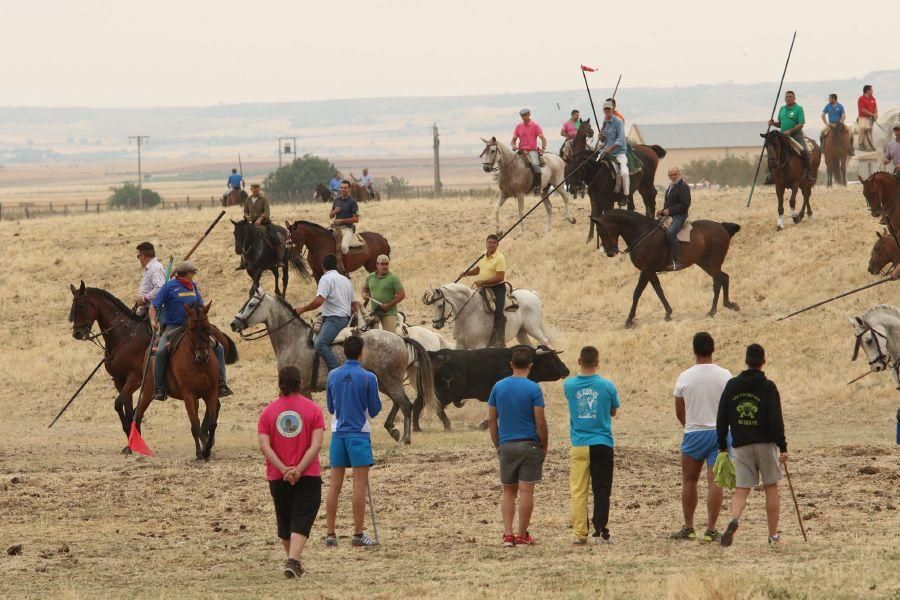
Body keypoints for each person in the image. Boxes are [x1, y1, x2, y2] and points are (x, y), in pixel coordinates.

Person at [717, 344, 789, 547]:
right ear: (763, 361)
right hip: (766, 444)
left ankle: (734, 519)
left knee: (741, 489)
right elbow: (776, 419)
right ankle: (773, 536)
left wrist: (722, 444)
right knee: (771, 487)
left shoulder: (732, 385)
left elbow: (721, 417)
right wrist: (782, 447)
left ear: (746, 361)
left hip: (741, 444)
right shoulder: (768, 387)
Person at [258, 366, 325, 579]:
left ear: (280, 384)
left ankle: (293, 562)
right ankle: (293, 561)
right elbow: (316, 446)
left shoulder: (267, 412)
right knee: (302, 519)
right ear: (301, 383)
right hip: (308, 474)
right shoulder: (313, 410)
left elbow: (265, 447)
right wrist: (298, 468)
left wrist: (283, 468)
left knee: (285, 523)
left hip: (278, 476)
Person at [670, 332, 732, 544]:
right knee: (715, 482)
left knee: (689, 480)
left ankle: (689, 527)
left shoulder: (685, 376)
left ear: (694, 350)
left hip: (694, 432)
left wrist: (690, 425)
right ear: (713, 349)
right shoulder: (725, 375)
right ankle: (711, 529)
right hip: (720, 434)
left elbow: (679, 410)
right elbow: (731, 407)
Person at [488, 346, 548, 547]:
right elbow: (540, 421)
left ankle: (508, 535)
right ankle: (522, 535)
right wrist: (544, 444)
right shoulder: (533, 388)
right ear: (530, 366)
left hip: (507, 444)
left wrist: (498, 444)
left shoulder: (498, 387)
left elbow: (491, 420)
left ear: (511, 364)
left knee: (508, 491)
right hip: (530, 444)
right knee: (526, 492)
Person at [324, 336, 381, 549]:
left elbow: (331, 408)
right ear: (361, 353)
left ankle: (330, 534)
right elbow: (374, 410)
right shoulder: (369, 377)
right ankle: (357, 535)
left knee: (334, 485)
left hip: (338, 434)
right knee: (359, 486)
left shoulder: (332, 375)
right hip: (359, 434)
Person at [149, 261, 232, 401]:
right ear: (186, 274)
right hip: (172, 328)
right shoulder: (168, 287)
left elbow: (200, 305)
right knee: (161, 352)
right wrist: (153, 320)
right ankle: (160, 387)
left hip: (193, 328)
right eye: (192, 272)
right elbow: (154, 306)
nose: (194, 274)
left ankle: (221, 384)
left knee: (219, 348)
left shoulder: (193, 286)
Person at [565, 346, 619, 545]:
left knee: (578, 490)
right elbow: (613, 411)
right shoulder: (607, 386)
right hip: (602, 443)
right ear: (598, 362)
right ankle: (601, 531)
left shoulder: (569, 386)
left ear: (579, 361)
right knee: (602, 489)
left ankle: (580, 533)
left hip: (579, 444)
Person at [294, 254, 358, 372]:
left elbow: (319, 301)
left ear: (323, 267)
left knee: (320, 343)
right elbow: (354, 305)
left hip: (334, 320)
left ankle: (336, 372)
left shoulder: (326, 279)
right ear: (337, 265)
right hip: (345, 318)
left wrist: (302, 309)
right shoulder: (345, 280)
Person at [460, 234, 507, 348]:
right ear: (486, 243)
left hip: (497, 288)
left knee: (498, 311)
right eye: (489, 242)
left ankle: (499, 339)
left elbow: (500, 277)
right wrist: (467, 273)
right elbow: (478, 269)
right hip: (484, 287)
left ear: (497, 244)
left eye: (494, 243)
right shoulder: (483, 255)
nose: (491, 245)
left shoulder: (500, 257)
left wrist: (483, 282)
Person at [769, 90, 814, 182]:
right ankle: (771, 174)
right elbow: (780, 124)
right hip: (782, 135)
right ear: (784, 99)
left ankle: (808, 173)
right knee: (771, 150)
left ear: (794, 99)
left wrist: (790, 131)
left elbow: (801, 124)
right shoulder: (782, 109)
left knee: (804, 150)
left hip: (796, 134)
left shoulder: (798, 109)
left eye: (790, 97)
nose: (788, 98)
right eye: (787, 97)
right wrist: (773, 123)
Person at [237, 183, 282, 271]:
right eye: (254, 188)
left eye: (257, 188)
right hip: (253, 223)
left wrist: (260, 218)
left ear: (259, 189)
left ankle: (278, 258)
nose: (256, 189)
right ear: (251, 189)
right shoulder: (248, 200)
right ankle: (243, 261)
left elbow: (267, 211)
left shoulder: (264, 199)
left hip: (264, 223)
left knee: (274, 237)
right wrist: (247, 216)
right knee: (244, 237)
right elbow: (245, 211)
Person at [657, 166, 691, 270]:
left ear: (679, 174)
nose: (673, 176)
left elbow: (685, 205)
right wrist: (662, 211)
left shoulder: (683, 186)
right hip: (670, 215)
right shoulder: (671, 186)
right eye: (671, 175)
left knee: (671, 232)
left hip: (680, 216)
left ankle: (677, 261)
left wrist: (670, 211)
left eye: (675, 174)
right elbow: (670, 203)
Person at [361, 254, 405, 333]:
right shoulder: (370, 277)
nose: (385, 266)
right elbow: (365, 289)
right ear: (377, 265)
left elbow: (402, 295)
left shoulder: (393, 278)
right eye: (382, 264)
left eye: (386, 264)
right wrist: (364, 294)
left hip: (389, 312)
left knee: (391, 336)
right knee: (371, 334)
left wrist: (388, 305)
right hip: (375, 312)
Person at [511, 108, 547, 194]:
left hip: (532, 151)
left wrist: (543, 147)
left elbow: (543, 138)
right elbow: (513, 140)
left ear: (529, 115)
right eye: (522, 116)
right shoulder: (518, 126)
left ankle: (538, 186)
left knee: (535, 164)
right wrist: (513, 146)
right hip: (521, 151)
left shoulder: (535, 125)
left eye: (525, 115)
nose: (523, 117)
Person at [599, 99, 630, 198]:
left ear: (612, 109)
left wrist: (610, 149)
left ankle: (625, 195)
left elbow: (620, 141)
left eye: (609, 109)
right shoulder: (604, 122)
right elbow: (603, 140)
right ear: (603, 110)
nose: (607, 111)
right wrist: (601, 136)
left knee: (624, 173)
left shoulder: (619, 122)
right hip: (606, 152)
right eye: (605, 109)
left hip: (619, 153)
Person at [330, 180, 360, 273]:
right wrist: (334, 212)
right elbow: (330, 215)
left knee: (344, 247)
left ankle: (346, 269)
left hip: (347, 229)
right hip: (336, 228)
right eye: (341, 187)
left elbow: (356, 219)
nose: (343, 189)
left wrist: (342, 220)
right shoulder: (336, 200)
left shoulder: (353, 202)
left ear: (349, 189)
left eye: (345, 188)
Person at [135, 242, 166, 313]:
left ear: (142, 256)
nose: (139, 259)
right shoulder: (151, 268)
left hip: (157, 312)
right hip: (150, 310)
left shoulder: (155, 268)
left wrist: (144, 298)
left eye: (138, 256)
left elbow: (160, 288)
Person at [857, 85, 878, 151]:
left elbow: (875, 107)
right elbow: (862, 110)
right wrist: (872, 114)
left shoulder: (872, 98)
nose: (872, 91)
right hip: (863, 117)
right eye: (871, 90)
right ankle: (861, 143)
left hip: (872, 117)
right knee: (863, 127)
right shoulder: (861, 99)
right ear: (867, 91)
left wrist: (876, 114)